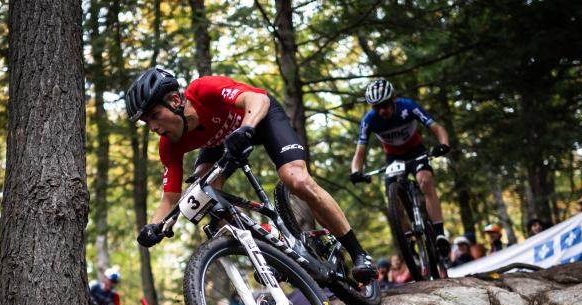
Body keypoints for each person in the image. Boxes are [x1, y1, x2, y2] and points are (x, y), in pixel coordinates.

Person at [127, 68, 377, 284]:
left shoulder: (203, 89)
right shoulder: (169, 144)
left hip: (260, 117)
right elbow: (170, 199)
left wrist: (246, 129)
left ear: (173, 100)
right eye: (146, 123)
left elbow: (256, 99)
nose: (153, 127)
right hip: (220, 140)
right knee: (203, 196)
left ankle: (358, 253)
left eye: (154, 116)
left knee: (296, 180)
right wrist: (154, 226)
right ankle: (270, 242)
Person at [349, 78, 452, 255]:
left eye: (385, 105)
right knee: (394, 199)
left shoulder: (408, 106)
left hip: (415, 151)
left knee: (425, 181)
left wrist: (443, 144)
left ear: (394, 99)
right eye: (376, 107)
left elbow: (437, 128)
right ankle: (409, 239)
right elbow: (360, 152)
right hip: (393, 158)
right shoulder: (370, 120)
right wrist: (356, 172)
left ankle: (439, 234)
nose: (382, 110)